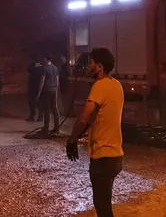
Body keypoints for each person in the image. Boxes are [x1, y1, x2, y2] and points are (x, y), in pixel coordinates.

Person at [66, 47, 123, 217]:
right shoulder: (117, 85)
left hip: (102, 156)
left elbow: (84, 117)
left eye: (91, 63)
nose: (88, 66)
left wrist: (72, 140)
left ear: (99, 66)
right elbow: (101, 116)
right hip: (116, 154)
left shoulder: (100, 86)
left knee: (102, 206)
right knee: (105, 201)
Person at [38, 54, 60, 135]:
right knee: (55, 108)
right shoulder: (55, 68)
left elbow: (42, 81)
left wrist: (39, 92)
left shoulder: (45, 68)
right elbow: (57, 80)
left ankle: (46, 129)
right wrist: (56, 91)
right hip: (54, 90)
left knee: (47, 110)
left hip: (47, 90)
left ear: (45, 59)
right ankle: (56, 128)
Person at [26, 55, 44, 122]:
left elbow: (27, 74)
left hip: (32, 86)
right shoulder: (42, 65)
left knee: (32, 102)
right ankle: (40, 117)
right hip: (40, 86)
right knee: (40, 102)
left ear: (32, 59)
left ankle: (32, 116)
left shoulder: (31, 65)